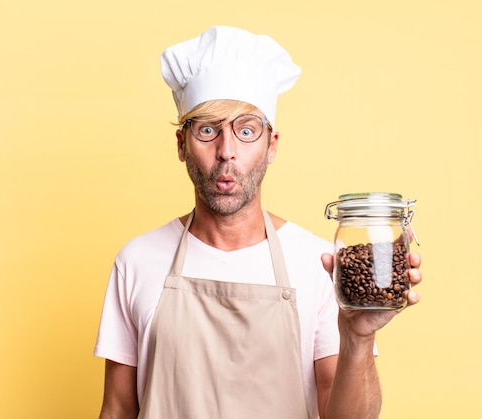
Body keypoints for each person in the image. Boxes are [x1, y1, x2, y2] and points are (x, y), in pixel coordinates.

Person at [94, 26, 422, 419]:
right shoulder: (137, 261)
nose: (226, 151)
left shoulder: (318, 262)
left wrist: (357, 337)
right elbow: (116, 410)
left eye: (246, 130)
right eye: (207, 130)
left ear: (272, 146)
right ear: (182, 144)